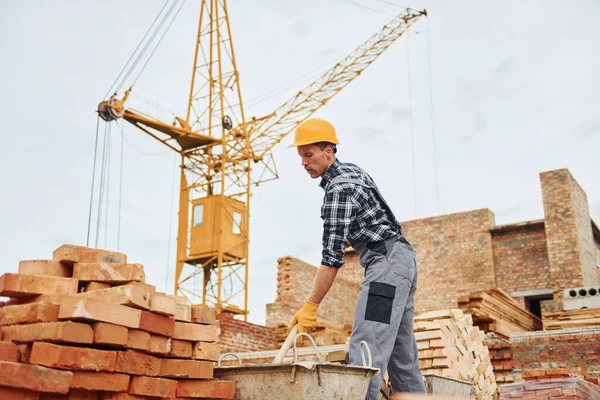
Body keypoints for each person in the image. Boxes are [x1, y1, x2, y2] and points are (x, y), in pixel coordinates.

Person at [287, 118, 426, 399]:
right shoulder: (352, 170)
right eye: (300, 155)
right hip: (401, 259)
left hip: (386, 266)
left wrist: (311, 306)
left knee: (368, 345)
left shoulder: (338, 190)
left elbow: (331, 257)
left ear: (329, 150)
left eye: (309, 154)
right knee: (401, 351)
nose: (303, 162)